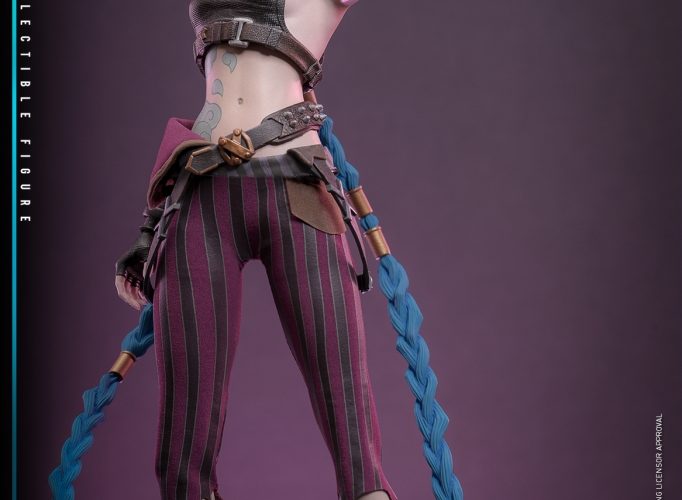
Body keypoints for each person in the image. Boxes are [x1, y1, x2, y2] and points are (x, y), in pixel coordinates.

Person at [114, 1, 397, 499]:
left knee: (347, 410)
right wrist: (151, 225)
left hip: (297, 185)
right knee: (184, 435)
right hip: (200, 193)